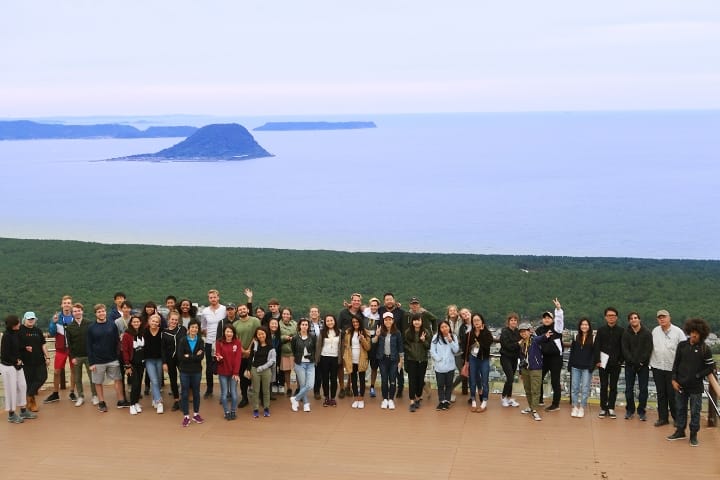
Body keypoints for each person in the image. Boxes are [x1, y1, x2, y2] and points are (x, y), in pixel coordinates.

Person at [666, 318, 716, 446]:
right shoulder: (682, 345)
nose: (693, 335)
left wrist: (698, 375)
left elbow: (711, 367)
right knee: (680, 409)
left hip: (696, 387)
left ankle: (693, 435)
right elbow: (676, 364)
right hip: (680, 384)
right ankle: (680, 431)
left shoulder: (705, 349)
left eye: (697, 333)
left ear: (701, 334)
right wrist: (673, 379)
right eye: (692, 332)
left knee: (695, 411)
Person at [87, 304, 128, 412]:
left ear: (106, 312)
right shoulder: (91, 327)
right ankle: (101, 402)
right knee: (98, 382)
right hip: (98, 360)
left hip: (113, 358)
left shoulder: (112, 325)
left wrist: (119, 355)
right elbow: (89, 345)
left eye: (103, 311)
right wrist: (91, 363)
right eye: (99, 312)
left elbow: (117, 341)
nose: (101, 313)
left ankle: (121, 400)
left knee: (118, 379)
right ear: (95, 314)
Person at [649, 309, 685, 427]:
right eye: (659, 317)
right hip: (657, 366)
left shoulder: (678, 332)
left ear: (669, 318)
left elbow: (684, 350)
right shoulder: (655, 331)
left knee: (673, 395)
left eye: (664, 317)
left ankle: (676, 418)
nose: (662, 319)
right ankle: (663, 418)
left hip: (672, 369)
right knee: (661, 394)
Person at [1, 315, 37, 423]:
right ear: (13, 325)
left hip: (18, 365)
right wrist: (15, 360)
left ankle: (23, 410)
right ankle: (11, 415)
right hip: (8, 367)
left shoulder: (16, 333)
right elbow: (4, 354)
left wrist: (25, 348)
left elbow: (17, 347)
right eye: (17, 323)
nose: (19, 324)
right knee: (11, 390)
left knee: (22, 386)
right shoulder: (6, 336)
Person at [621, 311, 653, 420]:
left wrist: (641, 362)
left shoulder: (647, 333)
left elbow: (648, 349)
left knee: (643, 389)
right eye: (631, 318)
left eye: (635, 318)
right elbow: (625, 349)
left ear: (639, 319)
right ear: (629, 321)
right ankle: (630, 410)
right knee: (628, 389)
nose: (633, 320)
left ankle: (641, 411)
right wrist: (631, 361)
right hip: (630, 365)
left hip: (643, 366)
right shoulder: (626, 333)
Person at [44, 295, 76, 404]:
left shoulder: (75, 317)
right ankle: (55, 393)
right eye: (65, 303)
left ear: (71, 305)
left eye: (68, 303)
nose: (66, 305)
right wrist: (53, 322)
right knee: (57, 371)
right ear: (61, 305)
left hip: (73, 349)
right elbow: (52, 333)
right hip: (60, 349)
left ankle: (72, 392)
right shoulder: (56, 318)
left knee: (73, 371)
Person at [594, 307, 624, 419]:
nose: (611, 317)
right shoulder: (601, 330)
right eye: (609, 315)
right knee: (603, 385)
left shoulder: (621, 331)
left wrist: (621, 360)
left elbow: (623, 347)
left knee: (613, 386)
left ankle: (611, 407)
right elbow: (596, 346)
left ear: (616, 317)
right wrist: (597, 360)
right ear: (605, 317)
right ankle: (603, 407)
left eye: (613, 315)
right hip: (603, 362)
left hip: (616, 363)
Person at [66, 303, 98, 407]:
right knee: (77, 378)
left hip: (89, 356)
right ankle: (80, 396)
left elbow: (94, 340)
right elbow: (69, 344)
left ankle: (95, 395)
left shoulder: (89, 323)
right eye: (75, 311)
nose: (77, 313)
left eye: (79, 310)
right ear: (72, 313)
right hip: (77, 357)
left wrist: (94, 355)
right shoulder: (70, 327)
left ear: (82, 311)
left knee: (92, 377)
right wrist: (72, 357)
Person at [536, 298, 565, 411]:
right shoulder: (539, 330)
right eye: (545, 318)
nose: (547, 319)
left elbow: (560, 320)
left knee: (555, 380)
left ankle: (555, 404)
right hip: (544, 358)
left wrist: (558, 309)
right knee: (539, 377)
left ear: (553, 319)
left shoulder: (557, 328)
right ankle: (539, 399)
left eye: (549, 318)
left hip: (556, 358)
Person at [19, 312, 49, 413]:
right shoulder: (20, 330)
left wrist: (47, 357)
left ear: (35, 319)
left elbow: (43, 345)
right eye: (29, 319)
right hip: (26, 361)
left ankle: (29, 395)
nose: (31, 320)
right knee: (29, 382)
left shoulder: (38, 330)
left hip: (39, 360)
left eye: (32, 319)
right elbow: (16, 345)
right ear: (24, 319)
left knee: (43, 377)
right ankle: (32, 403)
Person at [377, 292, 406, 398]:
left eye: (391, 299)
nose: (389, 301)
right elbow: (367, 309)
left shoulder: (401, 312)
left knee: (399, 370)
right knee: (386, 375)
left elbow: (403, 327)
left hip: (397, 342)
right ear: (384, 302)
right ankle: (387, 395)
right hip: (383, 341)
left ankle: (400, 388)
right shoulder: (381, 310)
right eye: (387, 299)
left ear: (394, 300)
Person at [373, 311, 403, 410]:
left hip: (394, 359)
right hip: (382, 359)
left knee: (393, 380)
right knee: (384, 380)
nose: (388, 321)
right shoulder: (380, 331)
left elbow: (400, 347)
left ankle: (391, 399)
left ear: (393, 320)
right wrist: (377, 335)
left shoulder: (397, 332)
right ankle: (385, 399)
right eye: (386, 320)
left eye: (390, 319)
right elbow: (373, 342)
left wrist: (401, 360)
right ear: (383, 321)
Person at [177, 319, 205, 427]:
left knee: (196, 393)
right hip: (184, 371)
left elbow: (201, 356)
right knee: (184, 393)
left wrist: (188, 356)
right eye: (192, 327)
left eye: (196, 328)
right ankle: (186, 416)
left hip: (196, 371)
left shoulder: (200, 340)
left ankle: (196, 414)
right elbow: (180, 357)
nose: (194, 329)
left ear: (198, 330)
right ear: (188, 329)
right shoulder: (183, 340)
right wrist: (194, 356)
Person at [232, 303, 260, 408]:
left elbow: (258, 334)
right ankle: (244, 398)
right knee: (243, 378)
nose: (242, 311)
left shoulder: (255, 321)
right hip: (240, 355)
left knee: (254, 376)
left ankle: (257, 397)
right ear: (237, 312)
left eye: (244, 309)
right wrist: (243, 350)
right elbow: (235, 339)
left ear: (248, 310)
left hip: (254, 353)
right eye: (240, 309)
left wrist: (249, 349)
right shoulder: (235, 324)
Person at [200, 289, 226, 398]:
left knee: (223, 365)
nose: (213, 299)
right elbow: (203, 327)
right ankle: (209, 389)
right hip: (210, 342)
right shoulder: (205, 311)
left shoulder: (224, 309)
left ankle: (225, 390)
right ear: (208, 298)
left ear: (218, 297)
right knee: (209, 367)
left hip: (223, 343)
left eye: (214, 297)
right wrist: (209, 336)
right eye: (211, 297)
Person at [465, 312, 493, 412]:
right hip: (473, 359)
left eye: (478, 320)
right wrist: (467, 361)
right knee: (472, 381)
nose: (476, 322)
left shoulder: (487, 333)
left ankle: (484, 401)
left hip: (484, 359)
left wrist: (481, 334)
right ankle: (473, 400)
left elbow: (486, 346)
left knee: (484, 381)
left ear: (482, 321)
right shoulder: (469, 334)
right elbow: (467, 348)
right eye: (474, 321)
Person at [338, 293, 364, 398]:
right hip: (344, 341)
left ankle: (349, 386)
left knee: (352, 364)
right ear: (351, 301)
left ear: (360, 302)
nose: (356, 302)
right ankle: (342, 388)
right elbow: (338, 327)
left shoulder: (361, 313)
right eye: (354, 300)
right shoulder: (343, 312)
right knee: (341, 365)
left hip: (356, 342)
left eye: (358, 300)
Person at [518, 322, 546, 421]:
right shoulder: (521, 343)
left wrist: (547, 334)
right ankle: (530, 406)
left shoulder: (534, 340)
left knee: (535, 390)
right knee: (528, 389)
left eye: (525, 331)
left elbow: (542, 338)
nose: (523, 333)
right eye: (521, 332)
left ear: (529, 331)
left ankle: (535, 410)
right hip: (525, 369)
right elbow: (520, 358)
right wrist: (520, 371)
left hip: (535, 369)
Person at [404, 313, 431, 412]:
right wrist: (411, 349)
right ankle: (412, 400)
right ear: (412, 322)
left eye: (418, 320)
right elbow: (405, 345)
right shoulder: (408, 332)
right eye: (415, 320)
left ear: (421, 321)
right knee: (412, 380)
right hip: (411, 359)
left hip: (422, 359)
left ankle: (418, 397)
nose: (416, 322)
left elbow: (428, 346)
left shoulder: (426, 332)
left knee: (420, 380)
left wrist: (424, 341)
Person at [568, 317, 594, 418]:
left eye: (586, 325)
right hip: (575, 366)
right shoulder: (575, 337)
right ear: (580, 326)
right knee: (574, 387)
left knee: (585, 388)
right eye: (582, 324)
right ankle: (574, 406)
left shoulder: (593, 338)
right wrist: (570, 365)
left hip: (587, 367)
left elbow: (594, 354)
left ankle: (582, 407)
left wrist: (592, 366)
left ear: (589, 326)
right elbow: (572, 352)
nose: (584, 326)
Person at [344, 316, 371, 409]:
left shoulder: (365, 332)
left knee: (362, 379)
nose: (355, 323)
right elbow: (346, 346)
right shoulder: (348, 333)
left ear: (360, 322)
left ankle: (361, 399)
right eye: (353, 322)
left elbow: (368, 347)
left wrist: (362, 339)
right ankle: (356, 398)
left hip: (362, 359)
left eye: (357, 322)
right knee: (353, 379)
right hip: (351, 359)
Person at [290, 318, 317, 412]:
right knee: (302, 385)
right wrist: (298, 358)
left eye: (306, 325)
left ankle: (295, 399)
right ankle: (306, 404)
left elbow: (315, 349)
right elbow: (293, 350)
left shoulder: (313, 337)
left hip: (310, 364)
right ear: (299, 326)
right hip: (299, 364)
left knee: (310, 385)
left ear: (308, 326)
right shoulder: (295, 338)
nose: (304, 326)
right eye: (303, 324)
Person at [431, 320, 459, 410]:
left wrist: (450, 341)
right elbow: (432, 350)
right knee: (440, 384)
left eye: (446, 326)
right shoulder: (436, 337)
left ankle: (447, 401)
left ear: (449, 327)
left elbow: (456, 350)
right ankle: (441, 401)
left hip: (450, 365)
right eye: (442, 327)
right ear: (439, 329)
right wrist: (438, 359)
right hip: (439, 366)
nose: (444, 329)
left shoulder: (453, 336)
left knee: (449, 384)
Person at [215, 325, 242, 420]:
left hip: (233, 373)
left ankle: (233, 411)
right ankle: (226, 412)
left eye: (231, 332)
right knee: (224, 393)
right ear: (224, 332)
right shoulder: (219, 342)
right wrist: (218, 357)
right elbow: (217, 353)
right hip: (222, 372)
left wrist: (236, 372)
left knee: (234, 393)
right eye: (227, 331)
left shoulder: (237, 343)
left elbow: (238, 358)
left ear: (233, 333)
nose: (229, 333)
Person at [249, 326, 276, 418]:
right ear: (256, 335)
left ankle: (266, 408)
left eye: (262, 333)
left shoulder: (271, 346)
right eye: (259, 334)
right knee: (255, 390)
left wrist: (263, 367)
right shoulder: (255, 344)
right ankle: (255, 409)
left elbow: (272, 361)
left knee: (266, 390)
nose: (261, 336)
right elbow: (250, 357)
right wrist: (249, 369)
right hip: (255, 369)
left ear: (266, 334)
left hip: (266, 370)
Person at [162, 310, 186, 411]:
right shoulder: (164, 332)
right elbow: (162, 348)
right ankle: (176, 400)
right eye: (172, 319)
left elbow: (187, 342)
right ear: (168, 319)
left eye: (176, 320)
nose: (174, 321)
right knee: (173, 379)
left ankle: (183, 399)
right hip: (170, 359)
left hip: (181, 358)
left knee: (184, 378)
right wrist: (164, 363)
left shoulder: (182, 329)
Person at [120, 315, 145, 415]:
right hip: (132, 363)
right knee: (134, 384)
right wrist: (127, 365)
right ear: (131, 323)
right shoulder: (127, 335)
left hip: (141, 363)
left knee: (139, 384)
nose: (136, 323)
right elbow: (125, 351)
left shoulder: (142, 333)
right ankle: (132, 404)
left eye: (138, 322)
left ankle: (136, 402)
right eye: (134, 322)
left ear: (140, 323)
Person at [317, 314, 342, 406]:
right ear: (325, 322)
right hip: (324, 357)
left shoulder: (339, 332)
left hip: (335, 358)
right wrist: (317, 359)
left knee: (334, 379)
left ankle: (333, 398)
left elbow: (341, 347)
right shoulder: (322, 332)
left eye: (331, 320)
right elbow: (318, 346)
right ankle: (326, 397)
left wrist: (341, 359)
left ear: (334, 321)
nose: (330, 322)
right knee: (325, 379)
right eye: (327, 321)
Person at [143, 314, 164, 413]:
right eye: (153, 321)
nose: (154, 323)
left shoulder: (162, 332)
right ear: (149, 321)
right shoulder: (144, 332)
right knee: (154, 380)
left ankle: (155, 397)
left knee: (159, 381)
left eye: (157, 321)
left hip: (160, 359)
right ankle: (159, 402)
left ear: (159, 323)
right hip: (149, 360)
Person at [499, 312, 521, 408]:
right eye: (511, 320)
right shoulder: (505, 332)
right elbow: (507, 346)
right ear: (508, 322)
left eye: (515, 320)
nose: (513, 322)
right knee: (510, 378)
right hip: (505, 357)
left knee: (511, 379)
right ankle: (503, 397)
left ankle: (509, 398)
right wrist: (518, 344)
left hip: (514, 358)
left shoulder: (518, 332)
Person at [451, 307, 472, 398]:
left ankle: (474, 395)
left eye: (466, 312)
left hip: (472, 353)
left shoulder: (476, 322)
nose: (465, 314)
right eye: (463, 314)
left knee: (468, 373)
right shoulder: (462, 327)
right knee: (463, 373)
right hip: (460, 352)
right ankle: (450, 388)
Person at [363, 298, 381, 398]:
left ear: (378, 306)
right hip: (364, 342)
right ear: (370, 306)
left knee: (374, 367)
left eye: (375, 305)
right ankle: (360, 385)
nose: (373, 307)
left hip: (375, 344)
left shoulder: (380, 317)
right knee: (363, 365)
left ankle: (372, 386)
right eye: (372, 305)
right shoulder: (365, 314)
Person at [279, 307, 297, 396]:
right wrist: (284, 337)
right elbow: (278, 336)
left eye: (287, 314)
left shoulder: (295, 324)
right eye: (284, 314)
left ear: (290, 315)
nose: (286, 315)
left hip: (295, 351)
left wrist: (291, 337)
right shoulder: (278, 324)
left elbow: (298, 334)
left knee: (297, 370)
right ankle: (289, 388)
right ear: (282, 315)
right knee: (287, 371)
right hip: (284, 351)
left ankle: (298, 388)